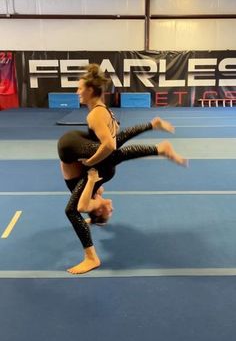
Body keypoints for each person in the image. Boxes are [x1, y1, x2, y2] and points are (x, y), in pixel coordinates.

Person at [57, 63, 187, 274]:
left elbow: (109, 146)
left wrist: (90, 164)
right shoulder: (102, 110)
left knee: (71, 210)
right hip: (76, 151)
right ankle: (157, 141)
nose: (77, 91)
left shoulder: (96, 115)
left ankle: (91, 258)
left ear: (90, 89)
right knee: (114, 151)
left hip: (73, 150)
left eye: (80, 88)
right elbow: (114, 142)